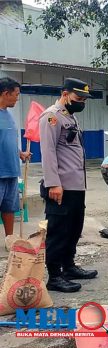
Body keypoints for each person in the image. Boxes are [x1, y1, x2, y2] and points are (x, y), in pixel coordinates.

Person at [39, 78, 97, 293]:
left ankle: (69, 266)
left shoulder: (69, 117)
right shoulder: (51, 117)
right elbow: (48, 152)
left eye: (84, 99)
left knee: (74, 228)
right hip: (60, 186)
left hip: (75, 185)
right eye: (78, 98)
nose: (81, 102)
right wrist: (53, 183)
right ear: (65, 94)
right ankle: (55, 276)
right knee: (58, 231)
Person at [0, 77, 31, 238]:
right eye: (16, 95)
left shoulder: (9, 115)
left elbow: (9, 140)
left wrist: (21, 154)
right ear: (6, 93)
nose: (18, 99)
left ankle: (9, 240)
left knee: (9, 208)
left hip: (12, 171)